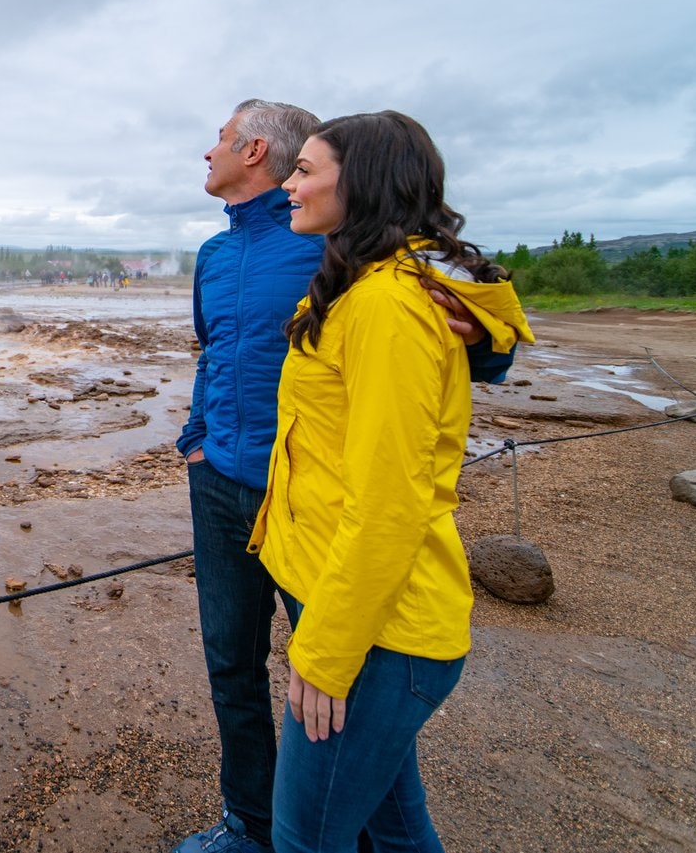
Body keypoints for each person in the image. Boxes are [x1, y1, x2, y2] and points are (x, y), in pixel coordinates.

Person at [172, 100, 514, 853]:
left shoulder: (338, 250)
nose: (206, 152)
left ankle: (325, 813)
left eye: (220, 140)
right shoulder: (218, 253)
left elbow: (457, 326)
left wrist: (488, 333)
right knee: (233, 667)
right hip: (222, 486)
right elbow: (212, 352)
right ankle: (248, 824)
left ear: (254, 148)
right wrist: (196, 439)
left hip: (321, 514)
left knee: (344, 683)